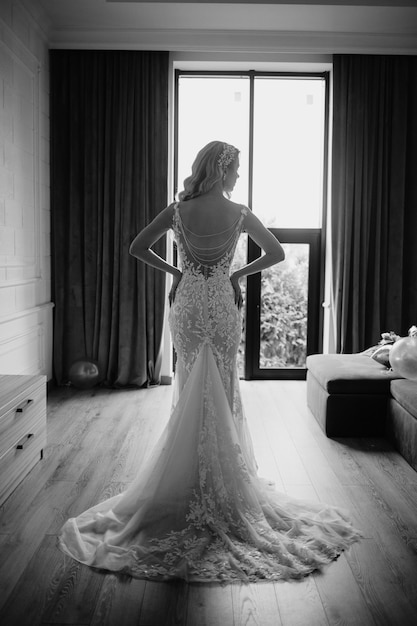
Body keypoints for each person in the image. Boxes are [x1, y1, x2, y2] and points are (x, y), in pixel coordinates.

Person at [59, 141, 361, 583]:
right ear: (222, 170)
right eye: (237, 168)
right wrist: (235, 275)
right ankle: (224, 479)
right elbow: (275, 253)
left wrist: (178, 272)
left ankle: (183, 478)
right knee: (221, 384)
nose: (238, 176)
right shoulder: (239, 213)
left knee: (189, 384)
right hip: (220, 300)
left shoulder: (178, 211)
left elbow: (137, 247)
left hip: (187, 303)